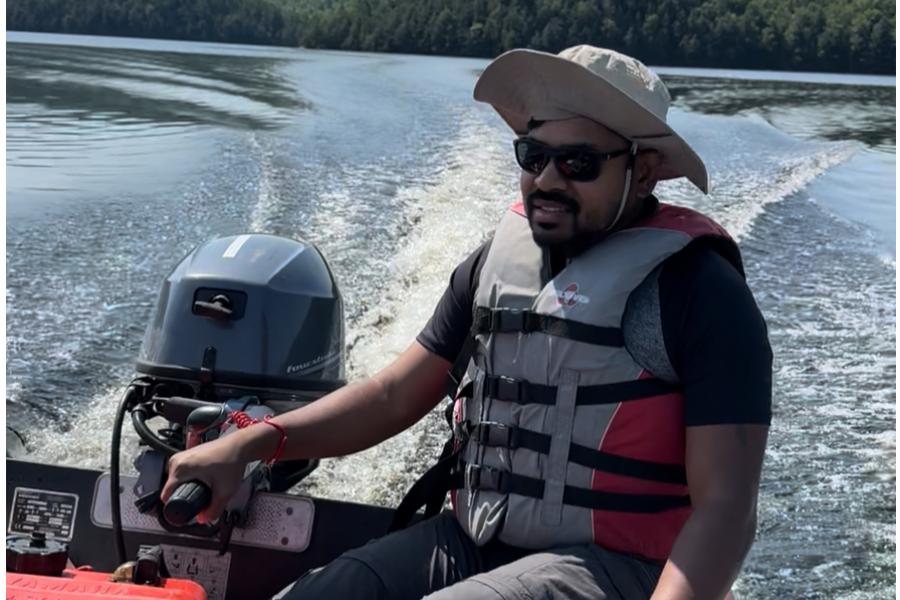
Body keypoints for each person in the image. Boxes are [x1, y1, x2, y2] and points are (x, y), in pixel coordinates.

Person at [162, 45, 772, 600]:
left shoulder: (701, 292)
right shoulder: (491, 266)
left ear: (643, 172)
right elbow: (394, 395)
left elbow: (727, 507)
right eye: (534, 155)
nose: (548, 180)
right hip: (469, 542)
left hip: (619, 570)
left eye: (579, 162)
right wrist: (247, 444)